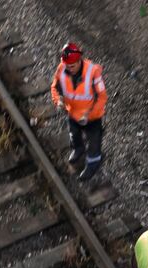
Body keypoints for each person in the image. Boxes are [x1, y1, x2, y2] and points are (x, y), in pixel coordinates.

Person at [50, 41, 107, 181]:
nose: (70, 69)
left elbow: (102, 97)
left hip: (92, 117)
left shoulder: (93, 72)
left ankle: (93, 163)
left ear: (79, 60)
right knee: (74, 134)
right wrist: (58, 100)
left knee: (94, 141)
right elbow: (55, 87)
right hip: (73, 113)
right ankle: (78, 149)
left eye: (72, 66)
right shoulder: (62, 69)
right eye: (67, 66)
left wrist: (90, 115)